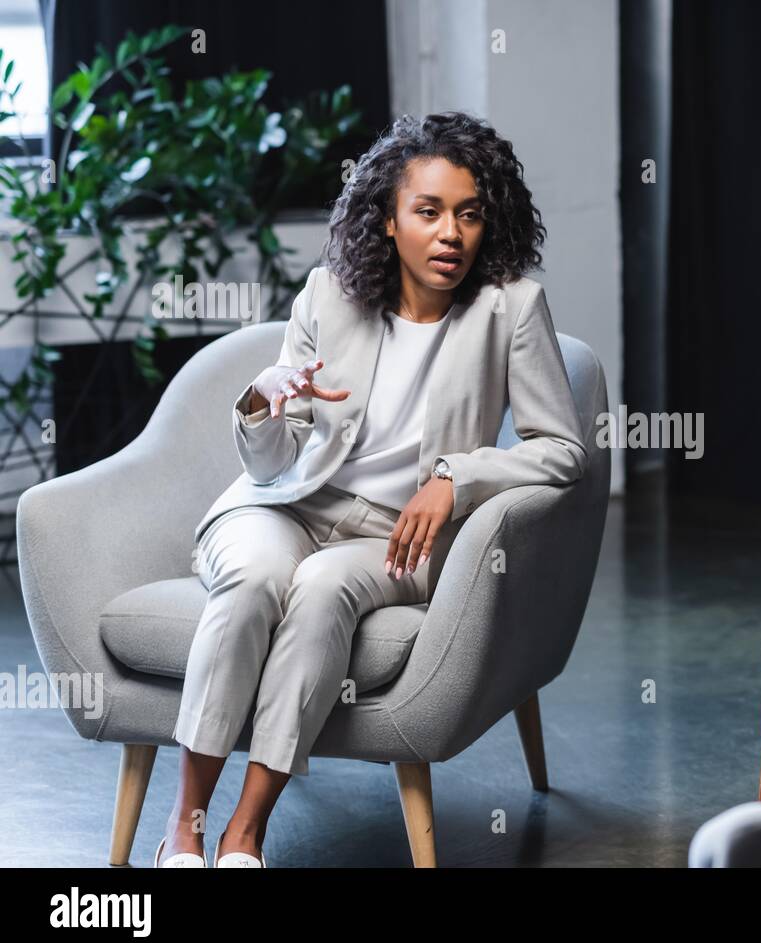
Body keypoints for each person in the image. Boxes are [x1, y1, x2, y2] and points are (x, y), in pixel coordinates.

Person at [157, 112, 588, 867]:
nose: (451, 233)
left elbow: (562, 451)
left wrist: (458, 476)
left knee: (321, 590)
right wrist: (262, 404)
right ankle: (185, 823)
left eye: (469, 214)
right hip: (288, 504)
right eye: (428, 212)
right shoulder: (329, 293)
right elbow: (269, 465)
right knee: (257, 578)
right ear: (388, 221)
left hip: (395, 536)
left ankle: (245, 831)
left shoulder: (509, 308)